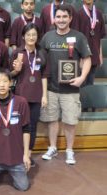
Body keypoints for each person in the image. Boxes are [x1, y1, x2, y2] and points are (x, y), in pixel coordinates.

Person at [39, 5, 91, 165]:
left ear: (70, 18)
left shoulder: (79, 37)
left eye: (64, 17)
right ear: (54, 19)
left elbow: (87, 59)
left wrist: (82, 77)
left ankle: (69, 150)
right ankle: (53, 147)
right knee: (52, 119)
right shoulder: (47, 37)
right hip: (51, 89)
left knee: (70, 121)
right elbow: (41, 59)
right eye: (58, 17)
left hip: (71, 89)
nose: (61, 20)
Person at [0, 69, 31, 191]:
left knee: (23, 187)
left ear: (11, 83)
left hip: (15, 156)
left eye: (5, 81)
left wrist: (25, 155)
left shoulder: (21, 102)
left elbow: (26, 129)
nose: (2, 85)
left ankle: (12, 170)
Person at [10, 23, 48, 166]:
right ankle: (16, 153)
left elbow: (44, 75)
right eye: (28, 35)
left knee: (32, 126)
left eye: (34, 34)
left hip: (36, 96)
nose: (31, 37)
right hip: (19, 96)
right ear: (23, 37)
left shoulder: (42, 53)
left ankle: (28, 154)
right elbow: (10, 75)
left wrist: (44, 95)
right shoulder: (17, 53)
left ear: (38, 36)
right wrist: (15, 70)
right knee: (17, 126)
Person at [78, 0, 106, 86]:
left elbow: (99, 37)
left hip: (94, 55)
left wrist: (100, 54)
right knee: (82, 84)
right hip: (82, 56)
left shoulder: (98, 13)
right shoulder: (78, 14)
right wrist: (79, 58)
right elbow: (76, 38)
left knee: (90, 84)